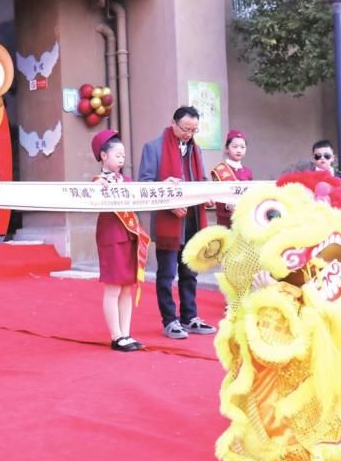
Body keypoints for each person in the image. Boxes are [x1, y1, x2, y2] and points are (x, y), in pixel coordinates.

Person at [138, 106, 216, 340]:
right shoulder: (153, 148)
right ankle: (170, 320)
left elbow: (201, 179)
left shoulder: (196, 150)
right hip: (168, 221)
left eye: (194, 130)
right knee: (167, 273)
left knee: (190, 273)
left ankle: (190, 317)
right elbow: (145, 184)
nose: (189, 134)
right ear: (173, 123)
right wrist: (169, 202)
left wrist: (207, 195)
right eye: (185, 129)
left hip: (193, 218)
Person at [91, 130, 151, 352]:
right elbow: (91, 196)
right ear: (104, 156)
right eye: (117, 154)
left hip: (129, 236)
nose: (121, 158)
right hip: (111, 237)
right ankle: (116, 336)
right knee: (113, 288)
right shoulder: (97, 182)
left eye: (123, 155)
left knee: (127, 287)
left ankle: (126, 334)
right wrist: (99, 188)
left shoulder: (127, 181)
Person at [210, 129, 253, 227]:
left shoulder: (248, 172)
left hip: (243, 219)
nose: (239, 150)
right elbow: (217, 194)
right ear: (226, 148)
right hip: (225, 220)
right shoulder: (220, 170)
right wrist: (227, 205)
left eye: (242, 147)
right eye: (235, 147)